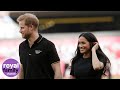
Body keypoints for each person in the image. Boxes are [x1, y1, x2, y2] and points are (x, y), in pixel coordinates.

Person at [17, 13, 62, 79]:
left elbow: (57, 72)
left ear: (31, 27)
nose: (20, 31)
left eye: (22, 28)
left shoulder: (48, 45)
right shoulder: (22, 46)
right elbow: (22, 69)